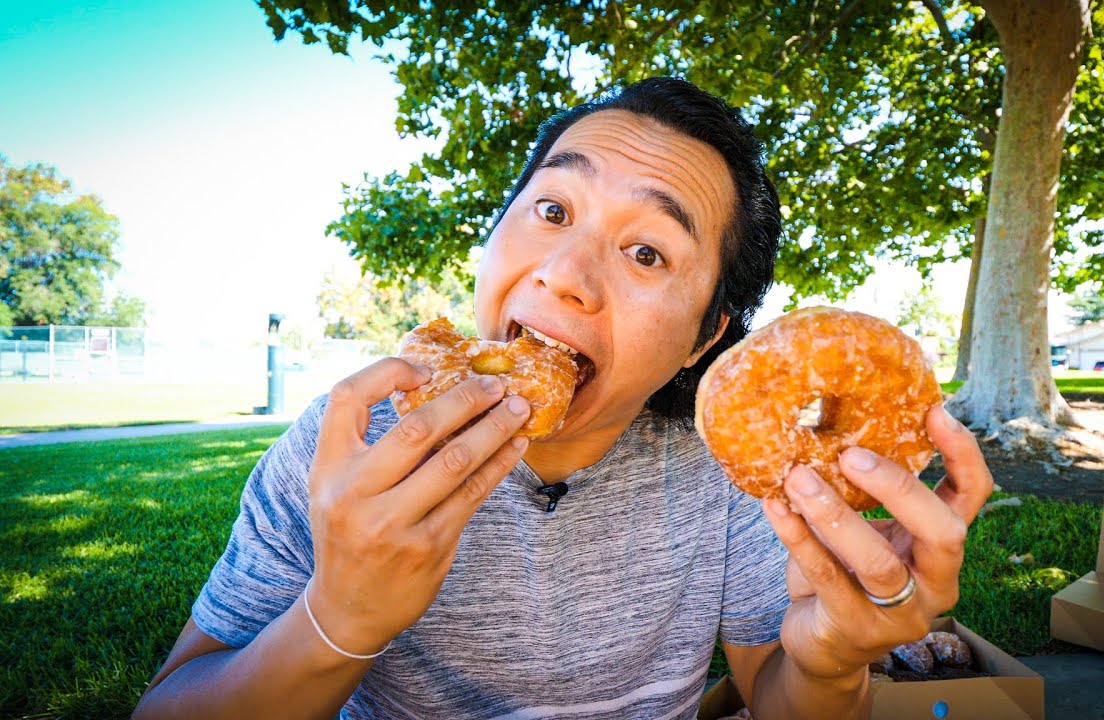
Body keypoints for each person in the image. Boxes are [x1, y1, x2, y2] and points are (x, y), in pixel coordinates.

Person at [133, 77, 993, 720]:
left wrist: (833, 662)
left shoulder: (735, 475)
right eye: (551, 208)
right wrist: (339, 616)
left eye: (648, 252)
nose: (565, 275)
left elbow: (781, 694)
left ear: (704, 338)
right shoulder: (348, 444)